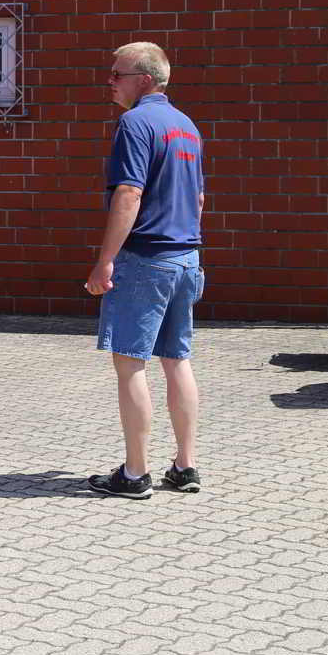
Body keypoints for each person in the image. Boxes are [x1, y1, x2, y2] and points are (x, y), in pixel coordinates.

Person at [84, 42, 205, 500]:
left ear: (146, 80)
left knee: (131, 365)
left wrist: (105, 260)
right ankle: (185, 466)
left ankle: (135, 474)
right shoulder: (186, 127)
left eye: (118, 74)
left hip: (145, 259)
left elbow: (129, 195)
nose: (110, 82)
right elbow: (197, 200)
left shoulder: (134, 123)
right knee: (177, 361)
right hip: (186, 257)